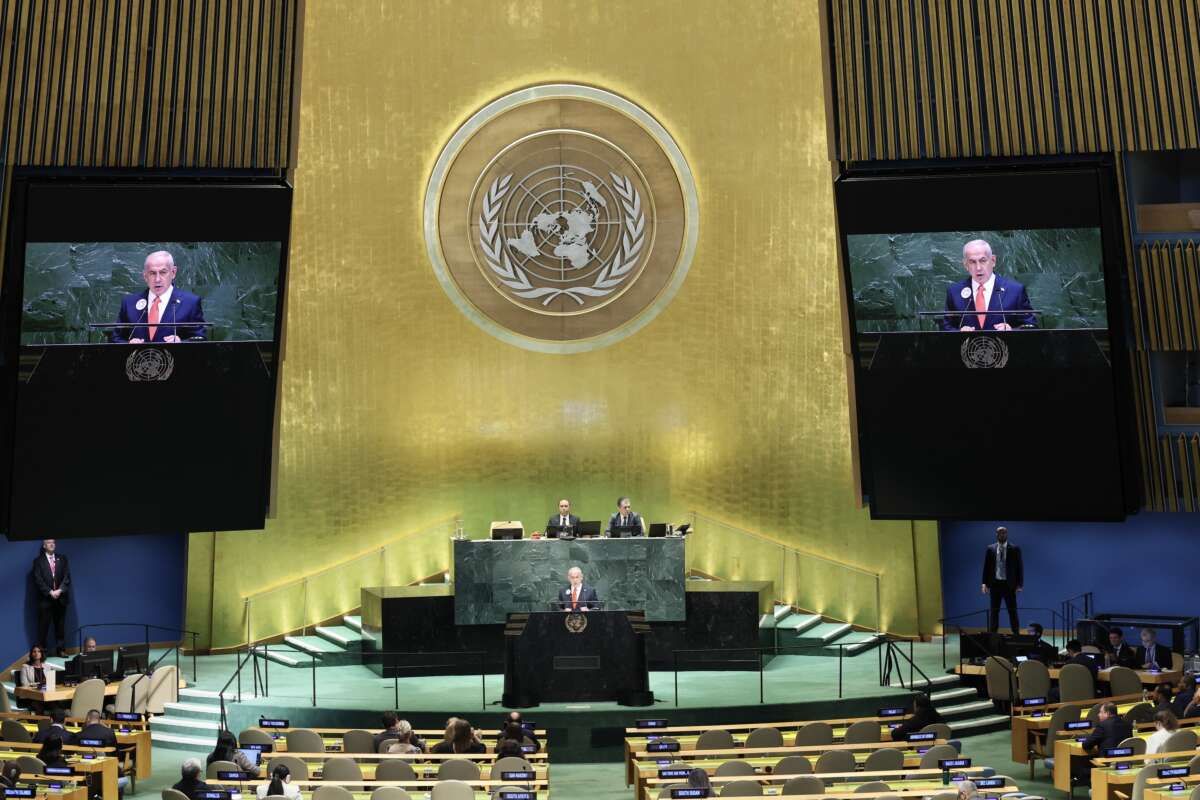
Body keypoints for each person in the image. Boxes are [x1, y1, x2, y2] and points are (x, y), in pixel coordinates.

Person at [940, 239, 1036, 331]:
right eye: (972, 262)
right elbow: (946, 327)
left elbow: (1031, 326)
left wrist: (1011, 330)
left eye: (983, 260)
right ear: (966, 265)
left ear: (993, 261)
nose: (978, 268)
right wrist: (959, 331)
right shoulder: (954, 292)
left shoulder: (1015, 290)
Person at [112, 250, 207, 343]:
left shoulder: (190, 302)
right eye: (152, 273)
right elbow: (115, 338)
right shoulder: (129, 303)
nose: (157, 279)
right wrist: (129, 344)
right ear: (145, 276)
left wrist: (181, 342)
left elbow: (200, 338)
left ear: (173, 272)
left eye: (163, 272)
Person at [1075, 702, 1133, 784]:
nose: (1098, 715)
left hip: (1107, 764)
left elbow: (1086, 745)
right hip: (1125, 762)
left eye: (1101, 712)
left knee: (1081, 765)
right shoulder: (1128, 725)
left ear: (1107, 713)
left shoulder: (1103, 725)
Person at [32, 539, 71, 656]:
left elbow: (67, 577)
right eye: (49, 542)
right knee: (43, 627)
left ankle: (61, 650)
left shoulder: (62, 559)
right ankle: (42, 652)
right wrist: (50, 592)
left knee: (60, 626)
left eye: (53, 542)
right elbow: (38, 580)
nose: (52, 544)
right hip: (46, 600)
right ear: (44, 546)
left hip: (61, 598)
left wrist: (60, 590)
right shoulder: (38, 561)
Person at [980, 527, 1022, 634]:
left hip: (1009, 585)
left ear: (1007, 534)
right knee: (994, 612)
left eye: (1003, 533)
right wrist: (984, 583)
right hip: (995, 584)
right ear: (996, 534)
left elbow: (1019, 567)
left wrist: (1019, 584)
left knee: (1012, 611)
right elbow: (986, 567)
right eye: (999, 533)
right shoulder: (990, 549)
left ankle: (1016, 634)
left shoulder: (1014, 548)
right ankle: (993, 635)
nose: (1002, 535)